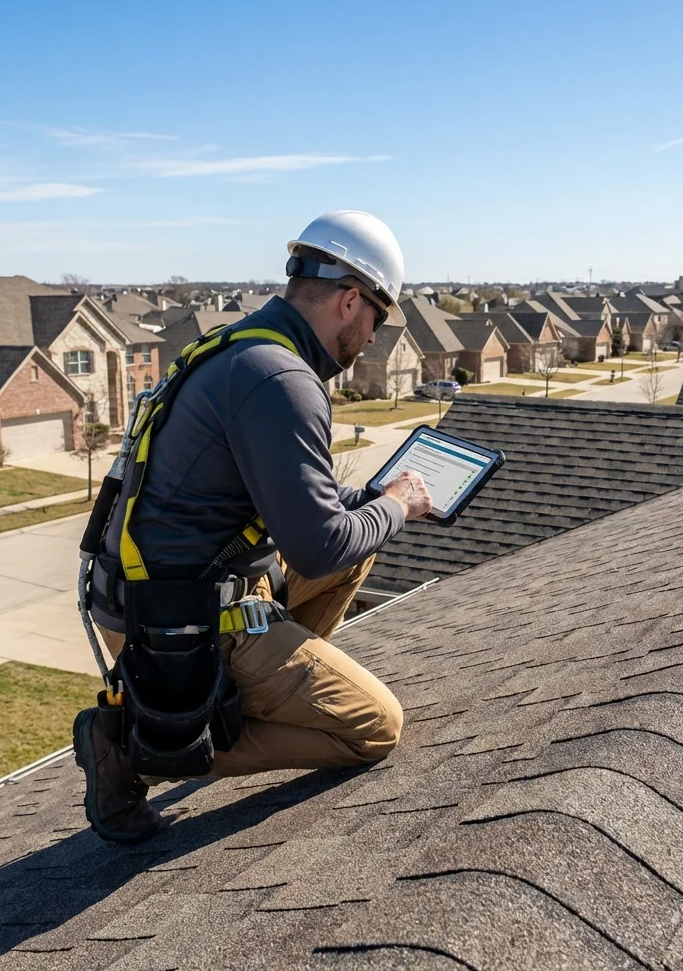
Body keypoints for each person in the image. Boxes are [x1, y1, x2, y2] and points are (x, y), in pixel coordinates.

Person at [73, 211, 433, 844]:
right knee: (376, 726)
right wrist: (398, 507)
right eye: (378, 318)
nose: (375, 338)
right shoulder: (284, 380)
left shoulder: (242, 348)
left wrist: (371, 497)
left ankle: (272, 679)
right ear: (351, 301)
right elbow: (320, 548)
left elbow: (290, 499)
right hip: (181, 623)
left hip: (151, 594)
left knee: (361, 541)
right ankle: (141, 745)